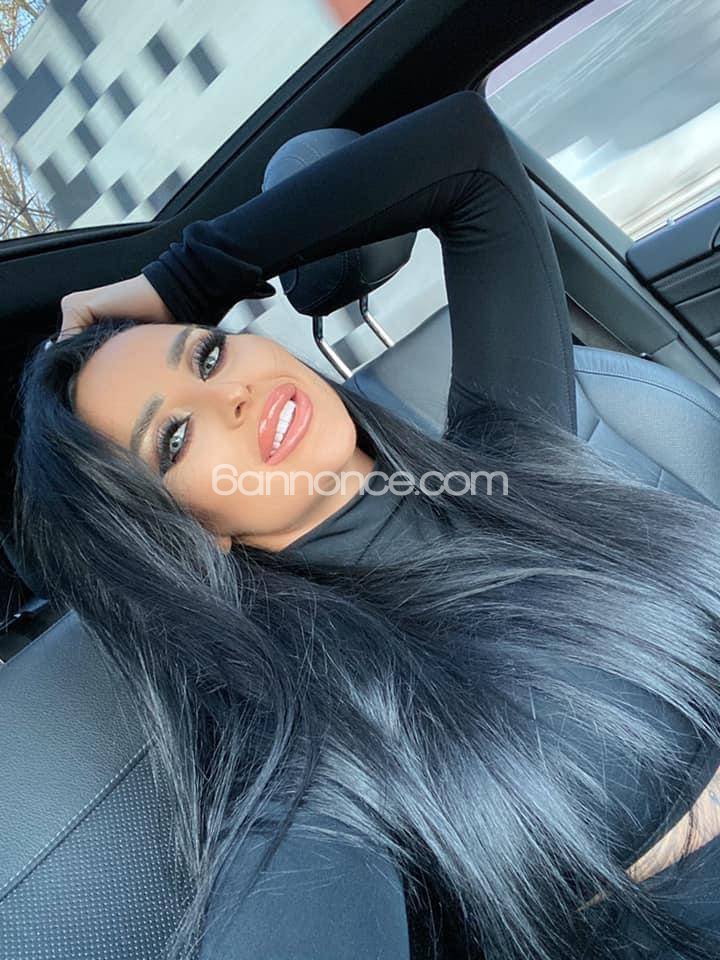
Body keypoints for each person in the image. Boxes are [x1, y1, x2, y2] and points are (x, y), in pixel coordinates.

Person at [14, 89, 720, 960]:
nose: (232, 393)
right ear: (182, 533)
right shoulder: (312, 748)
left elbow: (466, 153)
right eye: (176, 438)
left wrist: (180, 281)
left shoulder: (511, 452)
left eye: (206, 352)